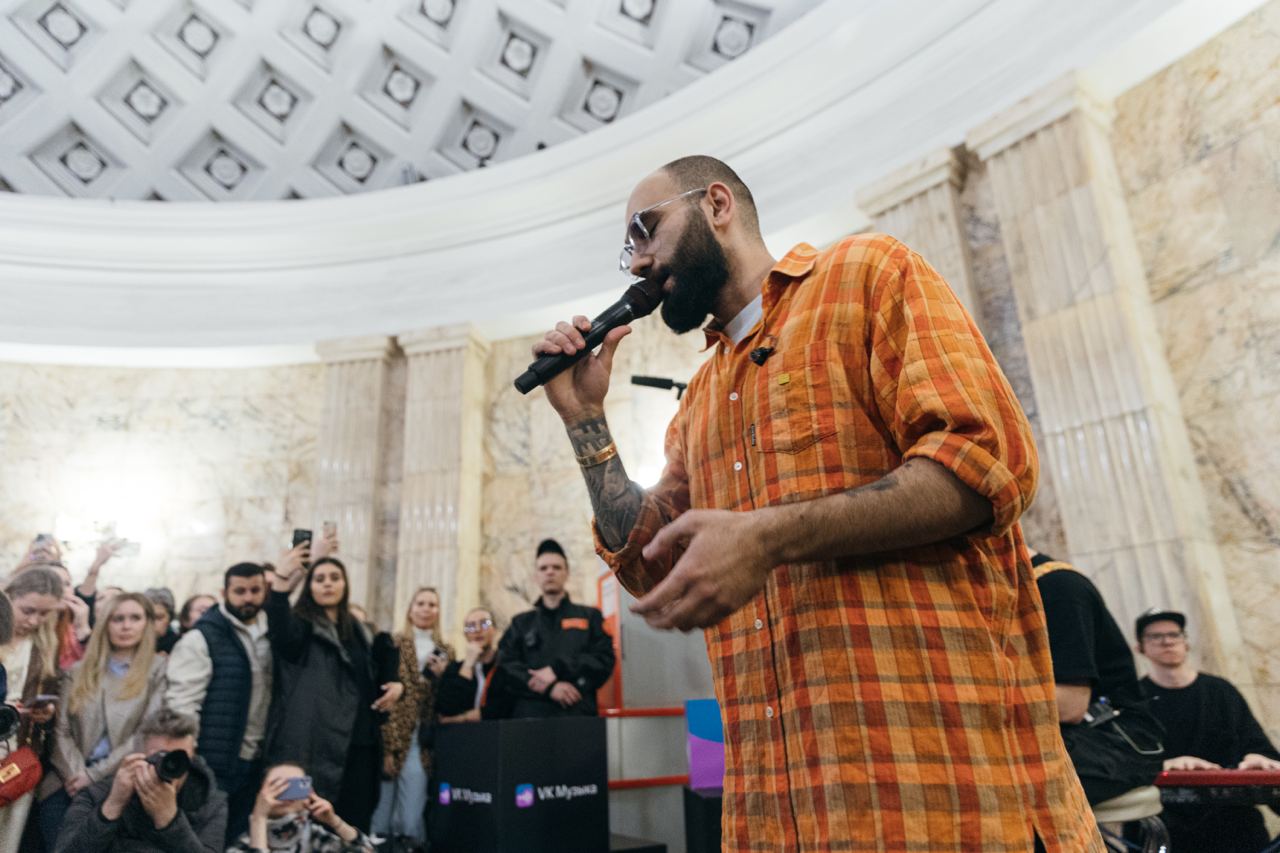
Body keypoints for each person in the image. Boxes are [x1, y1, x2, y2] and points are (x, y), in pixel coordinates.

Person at [531, 155, 1100, 851]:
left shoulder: (869, 273)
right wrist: (584, 419)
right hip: (778, 815)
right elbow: (653, 564)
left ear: (717, 204)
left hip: (946, 801)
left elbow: (985, 462)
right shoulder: (699, 403)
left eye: (645, 230)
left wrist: (768, 537)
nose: (638, 262)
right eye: (629, 249)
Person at [264, 550, 403, 833]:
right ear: (310, 587)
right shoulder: (301, 626)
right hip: (314, 744)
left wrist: (396, 684)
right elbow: (280, 630)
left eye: (335, 577)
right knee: (304, 823)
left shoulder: (360, 631)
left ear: (345, 584)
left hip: (362, 743)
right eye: (319, 579)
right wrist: (280, 584)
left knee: (355, 824)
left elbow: (379, 665)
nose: (328, 583)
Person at [1136, 608, 1280, 852]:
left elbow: (1254, 741)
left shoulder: (1220, 690)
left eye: (1174, 634)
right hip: (1167, 820)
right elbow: (1125, 762)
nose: (1167, 641)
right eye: (1156, 637)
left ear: (1186, 642)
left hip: (1232, 819)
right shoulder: (1135, 699)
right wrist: (1165, 764)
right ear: (1140, 647)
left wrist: (1257, 758)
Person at [1030, 552, 1163, 805]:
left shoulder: (1059, 586)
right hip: (1069, 737)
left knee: (996, 775)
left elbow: (1070, 706)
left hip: (1114, 740)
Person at [40, 593, 168, 849]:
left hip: (121, 782)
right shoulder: (78, 671)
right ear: (104, 623)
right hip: (66, 780)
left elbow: (145, 733)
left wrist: (93, 775)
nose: (126, 626)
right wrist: (77, 774)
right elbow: (61, 731)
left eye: (135, 618)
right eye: (117, 619)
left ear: (147, 623)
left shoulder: (159, 669)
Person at [165, 562, 273, 843]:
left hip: (258, 758)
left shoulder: (273, 633)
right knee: (207, 840)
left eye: (255, 590)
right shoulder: (202, 637)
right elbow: (182, 703)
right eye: (240, 591)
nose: (248, 598)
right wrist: (187, 754)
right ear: (224, 593)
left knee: (242, 841)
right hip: (214, 760)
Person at [53, 708, 227, 852]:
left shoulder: (210, 803)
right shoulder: (97, 794)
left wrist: (170, 821)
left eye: (180, 759)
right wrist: (112, 806)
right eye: (161, 757)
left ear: (192, 757)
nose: (171, 767)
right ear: (138, 755)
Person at [495, 540, 615, 719]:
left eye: (556, 567)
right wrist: (549, 688)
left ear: (567, 573)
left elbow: (604, 659)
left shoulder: (590, 617)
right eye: (543, 568)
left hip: (577, 711)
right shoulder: (520, 623)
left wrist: (559, 670)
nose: (550, 572)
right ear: (536, 576)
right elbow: (505, 666)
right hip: (529, 718)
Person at [371, 587, 452, 849]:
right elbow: (382, 693)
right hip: (390, 731)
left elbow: (445, 699)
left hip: (423, 737)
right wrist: (387, 746)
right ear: (410, 609)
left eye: (432, 604)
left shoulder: (446, 651)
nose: (426, 609)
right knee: (381, 810)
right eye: (421, 603)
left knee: (411, 813)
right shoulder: (393, 643)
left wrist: (443, 677)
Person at [0, 567, 64, 850]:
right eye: (28, 610)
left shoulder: (44, 645)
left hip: (19, 751)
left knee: (8, 836)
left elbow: (50, 695)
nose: (34, 620)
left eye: (43, 614)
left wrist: (46, 713)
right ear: (9, 597)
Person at [228, 762, 374, 852]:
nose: (287, 793)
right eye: (277, 785)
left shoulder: (313, 836)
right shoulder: (245, 842)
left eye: (296, 785)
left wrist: (335, 821)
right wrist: (259, 818)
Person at [435, 607, 503, 722]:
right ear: (465, 635)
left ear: (495, 630)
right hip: (462, 733)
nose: (477, 629)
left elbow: (502, 707)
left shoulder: (505, 666)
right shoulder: (454, 669)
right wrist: (468, 665)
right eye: (470, 626)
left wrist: (461, 718)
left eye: (484, 624)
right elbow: (447, 708)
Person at [144, 589, 179, 655]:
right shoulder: (130, 640)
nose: (152, 622)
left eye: (159, 618)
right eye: (148, 616)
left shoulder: (178, 645)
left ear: (170, 619)